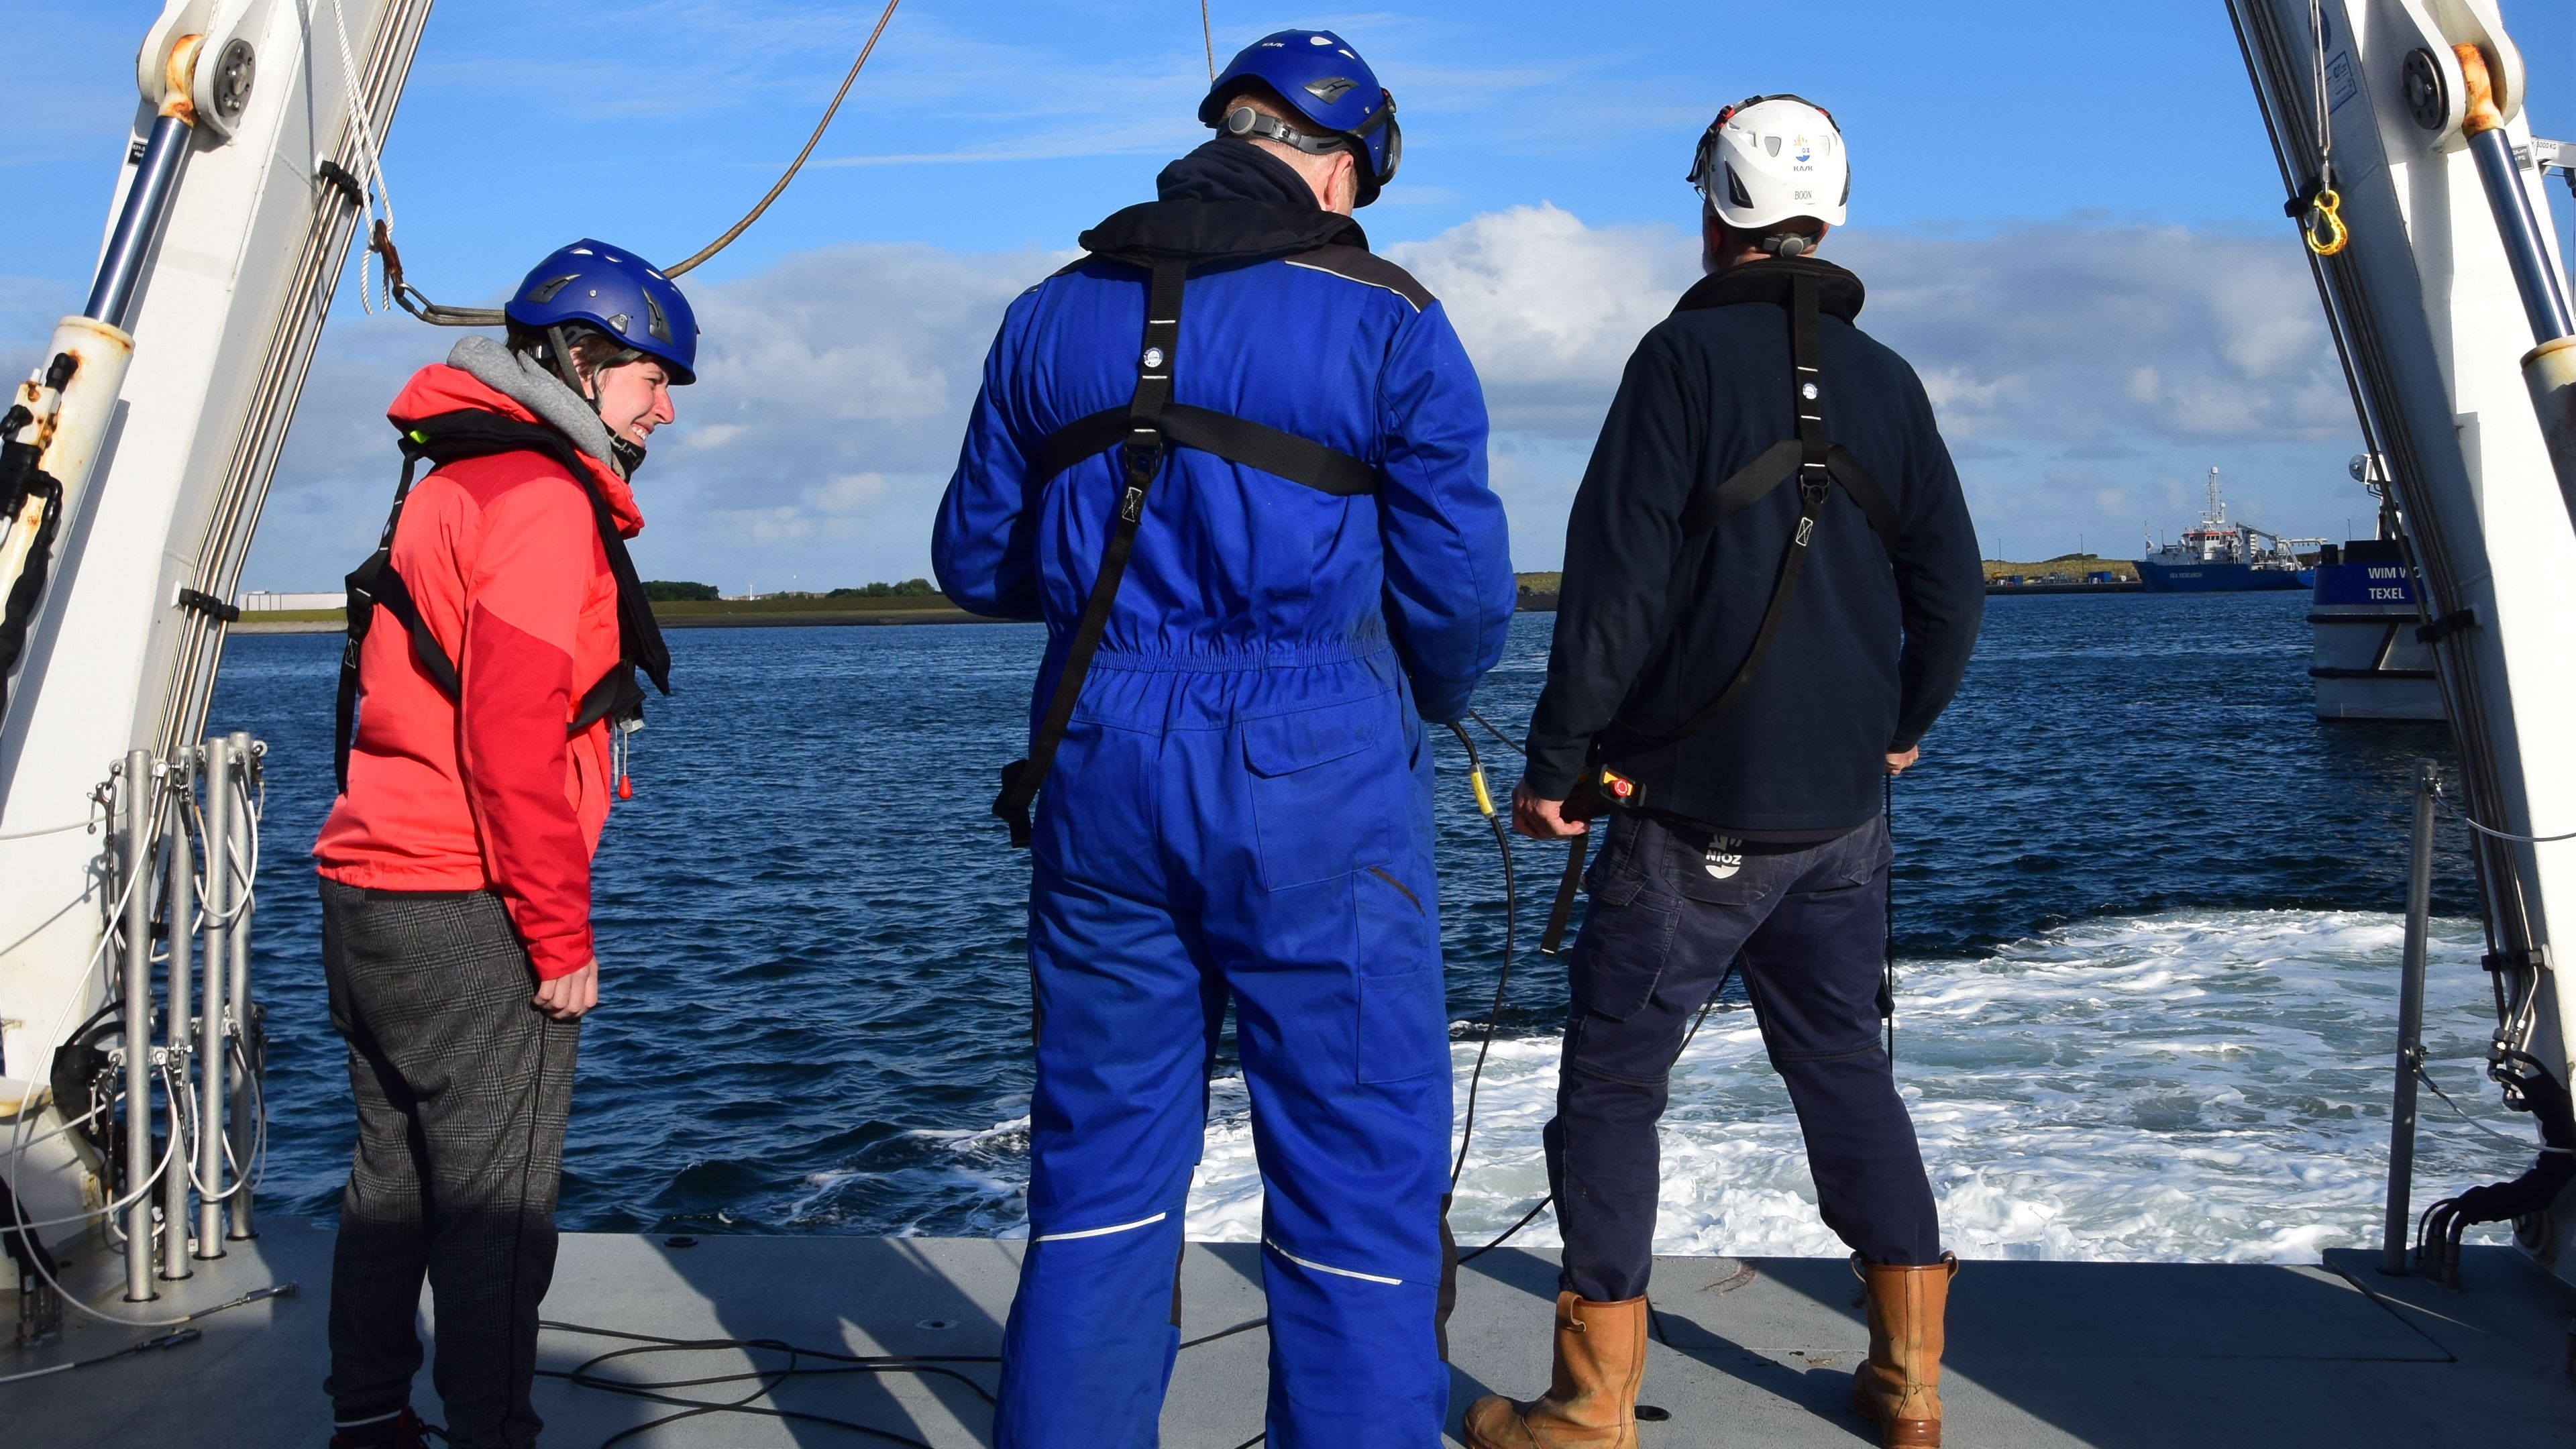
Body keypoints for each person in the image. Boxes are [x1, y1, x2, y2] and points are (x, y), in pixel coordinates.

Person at [933, 28, 1515, 1448]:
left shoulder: (1043, 314)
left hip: (1099, 762)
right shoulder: (1391, 317)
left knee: (1101, 1170)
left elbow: (974, 559)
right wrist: (1428, 697)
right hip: (1314, 765)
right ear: (1337, 165)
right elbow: (1461, 596)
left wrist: (1111, 600)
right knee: (1351, 1171)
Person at [1467, 97, 1984, 1449]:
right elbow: (1956, 587)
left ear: (1714, 212)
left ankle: (1589, 1406)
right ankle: (1911, 1386)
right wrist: (1901, 719)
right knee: (1844, 1072)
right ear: (1829, 214)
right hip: (1842, 820)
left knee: (1614, 1091)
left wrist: (1557, 769)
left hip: (1688, 816)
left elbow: (1614, 596)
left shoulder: (1674, 366)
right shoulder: (1891, 381)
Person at [311, 239, 692, 1449]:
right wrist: (557, 931)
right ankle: (494, 1436)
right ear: (583, 364)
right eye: (651, 380)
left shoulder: (449, 481)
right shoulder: (536, 502)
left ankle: (371, 1422)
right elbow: (514, 741)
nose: (665, 409)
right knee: (496, 1206)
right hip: (466, 902)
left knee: (393, 1185)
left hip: (370, 884)